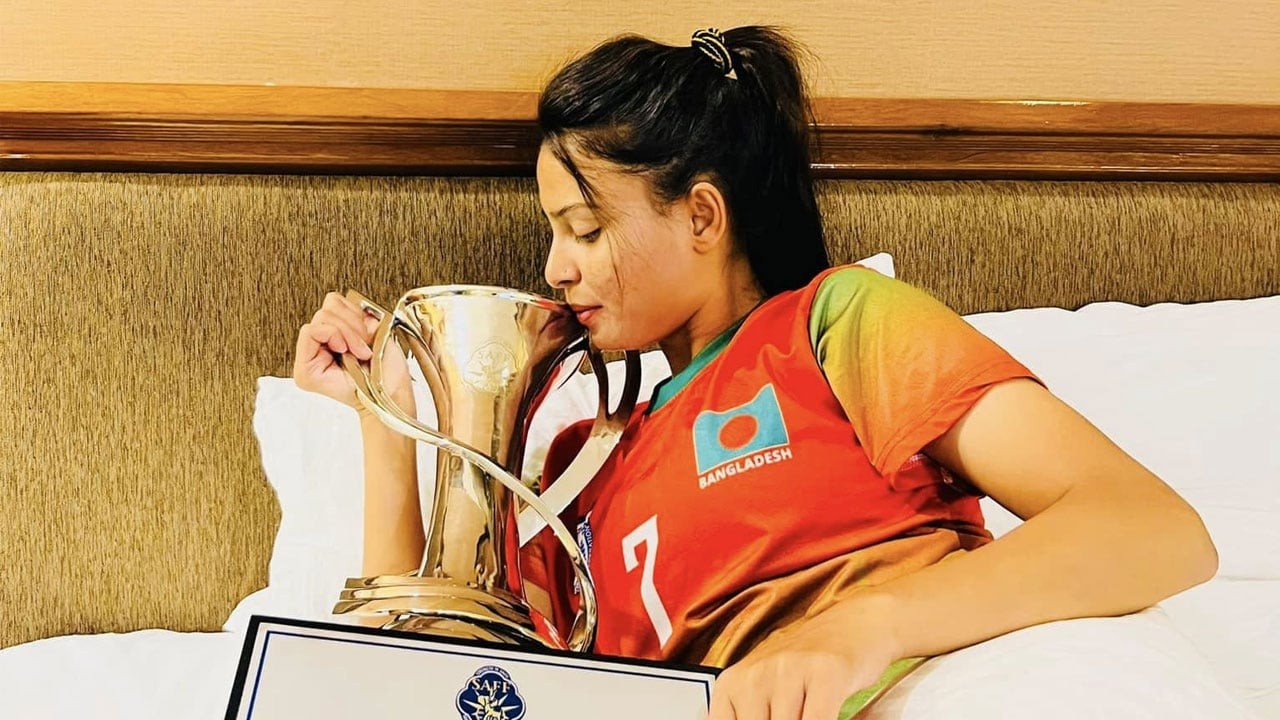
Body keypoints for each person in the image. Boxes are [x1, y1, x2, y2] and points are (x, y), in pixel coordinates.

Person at [293, 26, 1218, 720]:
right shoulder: (577, 464)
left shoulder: (834, 322)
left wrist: (857, 629)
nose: (555, 268)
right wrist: (385, 416)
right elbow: (425, 679)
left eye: (586, 229)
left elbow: (1153, 530)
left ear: (702, 216)